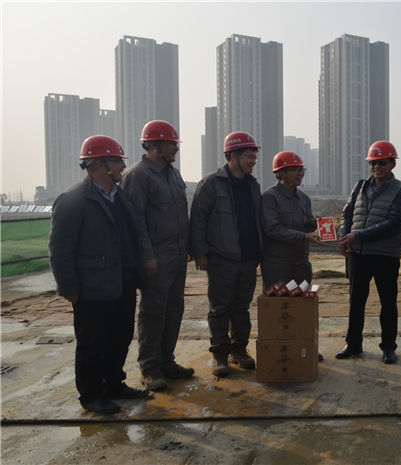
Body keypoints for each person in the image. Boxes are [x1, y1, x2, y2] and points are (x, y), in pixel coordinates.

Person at [48, 135, 150, 414]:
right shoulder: (72, 200)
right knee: (92, 344)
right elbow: (59, 249)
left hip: (123, 283)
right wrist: (69, 286)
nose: (122, 167)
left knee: (120, 338)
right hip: (92, 287)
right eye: (117, 161)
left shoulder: (121, 197)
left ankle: (113, 384)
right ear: (98, 164)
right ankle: (92, 395)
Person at [120, 120, 193, 391]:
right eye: (171, 144)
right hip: (156, 256)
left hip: (177, 254)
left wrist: (187, 245)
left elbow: (180, 214)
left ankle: (166, 362)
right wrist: (146, 255)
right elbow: (135, 220)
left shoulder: (173, 174)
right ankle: (149, 368)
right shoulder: (138, 175)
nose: (176, 148)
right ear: (154, 145)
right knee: (153, 311)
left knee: (174, 309)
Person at [189, 131, 264, 377]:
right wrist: (200, 253)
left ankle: (239, 350)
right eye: (249, 156)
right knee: (220, 308)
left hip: (248, 258)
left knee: (242, 307)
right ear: (233, 156)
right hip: (221, 258)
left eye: (255, 156)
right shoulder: (211, 183)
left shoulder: (253, 185)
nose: (253, 161)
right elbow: (197, 220)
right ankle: (220, 354)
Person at [336, 141, 401, 364]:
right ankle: (353, 343)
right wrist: (345, 235)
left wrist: (358, 236)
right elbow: (347, 213)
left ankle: (388, 346)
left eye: (381, 163)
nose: (376, 167)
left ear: (392, 164)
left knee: (387, 302)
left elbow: (394, 223)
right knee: (356, 301)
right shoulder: (360, 186)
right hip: (358, 255)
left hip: (385, 255)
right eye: (372, 163)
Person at [260, 150, 324, 362]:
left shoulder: (303, 198)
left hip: (301, 264)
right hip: (278, 266)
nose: (300, 173)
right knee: (278, 310)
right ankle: (277, 352)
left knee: (302, 308)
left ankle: (305, 346)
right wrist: (304, 236)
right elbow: (272, 229)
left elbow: (302, 224)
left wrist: (312, 224)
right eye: (295, 170)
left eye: (301, 169)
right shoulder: (270, 198)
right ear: (281, 173)